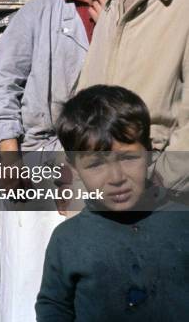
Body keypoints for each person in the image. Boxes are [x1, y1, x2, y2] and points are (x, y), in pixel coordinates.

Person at [0, 0, 122, 322]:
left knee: (92, 286)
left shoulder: (126, 15)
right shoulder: (39, 12)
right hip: (37, 164)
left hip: (102, 170)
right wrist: (10, 157)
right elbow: (3, 82)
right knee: (31, 280)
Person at [36, 84, 189, 321]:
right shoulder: (66, 240)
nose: (116, 178)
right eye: (96, 164)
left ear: (148, 151)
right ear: (74, 167)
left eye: (128, 158)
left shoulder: (182, 221)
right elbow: (53, 306)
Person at [77, 0, 189, 193]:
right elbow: (87, 90)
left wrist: (163, 180)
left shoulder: (184, 4)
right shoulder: (114, 0)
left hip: (158, 188)